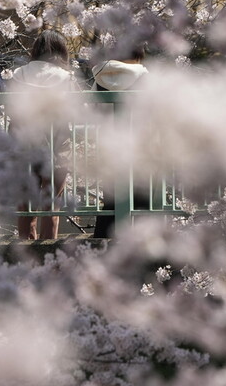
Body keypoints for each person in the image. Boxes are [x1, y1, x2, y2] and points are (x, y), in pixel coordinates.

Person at [8, 30, 77, 242]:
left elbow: (12, 108)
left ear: (35, 50)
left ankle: (26, 251)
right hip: (58, 145)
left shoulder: (19, 74)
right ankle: (49, 249)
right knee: (51, 204)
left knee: (25, 203)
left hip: (24, 144)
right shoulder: (67, 78)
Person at [91, 45, 148, 239]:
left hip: (109, 146)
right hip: (140, 146)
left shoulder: (100, 75)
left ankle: (103, 241)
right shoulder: (143, 76)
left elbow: (93, 111)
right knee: (142, 196)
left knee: (111, 197)